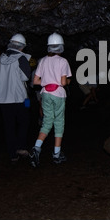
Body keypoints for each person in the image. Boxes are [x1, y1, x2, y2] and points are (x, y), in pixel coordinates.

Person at [29, 32, 71, 167]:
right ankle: (56, 154)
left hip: (45, 93)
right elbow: (64, 82)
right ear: (60, 47)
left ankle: (36, 148)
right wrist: (66, 81)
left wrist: (48, 81)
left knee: (47, 122)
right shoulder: (63, 61)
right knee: (59, 123)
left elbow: (35, 81)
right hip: (58, 94)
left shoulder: (43, 60)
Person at [0, 33, 32, 163]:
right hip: (21, 99)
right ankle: (21, 147)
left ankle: (12, 154)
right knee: (24, 122)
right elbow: (26, 77)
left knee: (9, 126)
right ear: (22, 46)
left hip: (4, 100)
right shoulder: (21, 58)